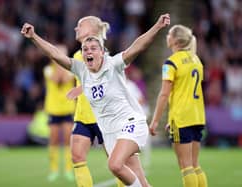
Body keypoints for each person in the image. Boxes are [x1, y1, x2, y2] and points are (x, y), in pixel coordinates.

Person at [21, 13, 170, 187]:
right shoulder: (81, 69)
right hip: (108, 131)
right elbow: (55, 54)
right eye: (85, 50)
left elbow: (138, 46)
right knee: (135, 177)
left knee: (114, 164)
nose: (88, 52)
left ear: (102, 53)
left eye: (93, 49)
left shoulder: (114, 64)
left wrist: (158, 26)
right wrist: (34, 37)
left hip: (130, 123)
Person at [68, 16, 126, 187]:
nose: (76, 29)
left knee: (116, 164)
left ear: (92, 31)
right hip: (84, 116)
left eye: (80, 26)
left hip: (105, 117)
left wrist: (78, 90)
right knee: (77, 156)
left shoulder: (102, 56)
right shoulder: (78, 55)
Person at [149, 25, 208, 187]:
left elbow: (164, 94)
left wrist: (155, 121)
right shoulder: (197, 60)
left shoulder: (171, 63)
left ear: (175, 40)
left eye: (169, 34)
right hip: (197, 116)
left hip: (182, 118)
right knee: (195, 165)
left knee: (186, 166)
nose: (167, 36)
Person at [43, 44, 76, 181]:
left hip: (67, 108)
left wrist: (61, 62)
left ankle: (68, 170)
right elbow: (57, 80)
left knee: (69, 139)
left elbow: (64, 79)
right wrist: (59, 62)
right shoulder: (47, 70)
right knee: (54, 140)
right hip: (53, 108)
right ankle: (54, 169)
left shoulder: (72, 70)